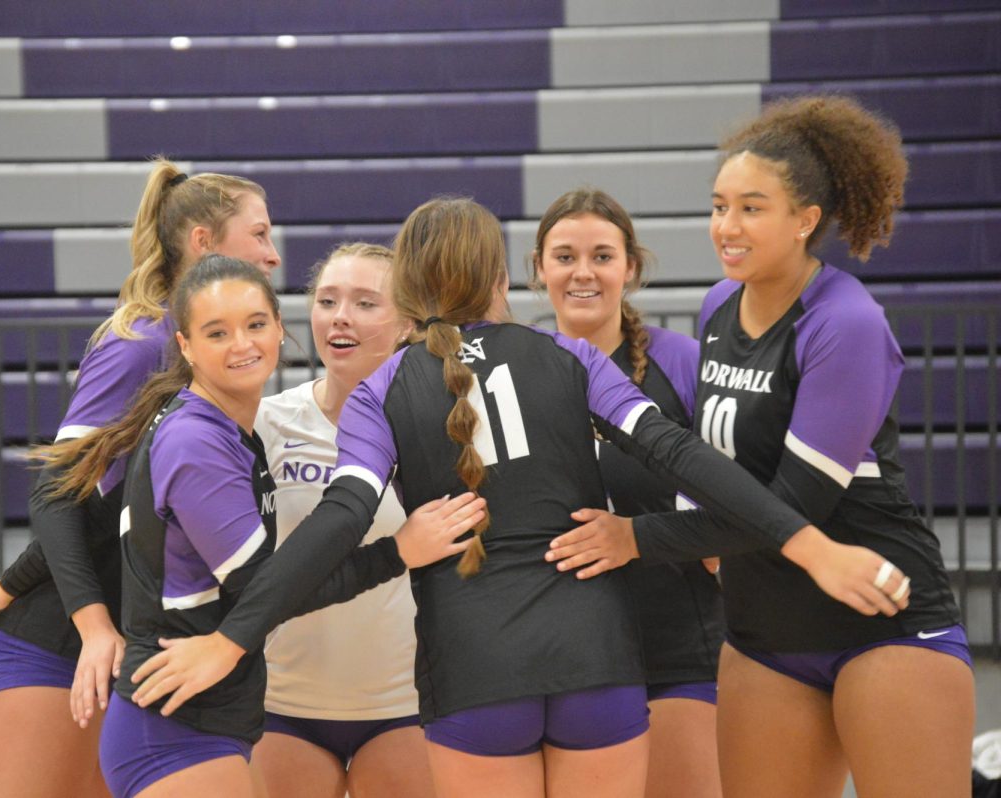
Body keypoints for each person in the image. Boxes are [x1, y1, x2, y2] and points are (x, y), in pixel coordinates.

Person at [128, 197, 912, 798]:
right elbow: (682, 456)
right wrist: (814, 546)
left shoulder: (382, 390)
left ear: (405, 284)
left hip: (473, 669)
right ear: (499, 277)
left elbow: (337, 525)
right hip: (595, 658)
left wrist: (232, 639)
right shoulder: (569, 356)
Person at [547, 96, 974, 798]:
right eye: (719, 206)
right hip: (761, 637)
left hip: (880, 624)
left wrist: (636, 537)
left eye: (752, 208)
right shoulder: (719, 305)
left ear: (806, 219)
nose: (727, 227)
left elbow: (791, 508)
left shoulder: (846, 322)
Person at [18, 254, 481, 797]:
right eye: (327, 300)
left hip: (357, 705)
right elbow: (260, 588)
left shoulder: (235, 428)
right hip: (224, 713)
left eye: (256, 325)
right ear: (185, 345)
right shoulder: (222, 432)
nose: (340, 317)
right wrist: (396, 551)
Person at [0, 159, 281, 797]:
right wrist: (91, 622)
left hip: (133, 648)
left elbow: (124, 512)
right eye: (261, 233)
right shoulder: (141, 343)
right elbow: (58, 491)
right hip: (60, 641)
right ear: (203, 243)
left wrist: (8, 581)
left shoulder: (224, 365)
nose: (272, 255)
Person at [531, 188, 723, 798]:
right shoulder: (514, 368)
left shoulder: (684, 363)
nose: (582, 272)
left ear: (630, 268)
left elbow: (736, 502)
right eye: (564, 256)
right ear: (538, 268)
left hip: (675, 644)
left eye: (602, 256)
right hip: (553, 656)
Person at [253, 243, 434, 797]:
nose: (341, 317)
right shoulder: (268, 422)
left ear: (406, 323)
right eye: (328, 300)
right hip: (283, 705)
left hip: (406, 705)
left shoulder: (435, 430)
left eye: (364, 302)